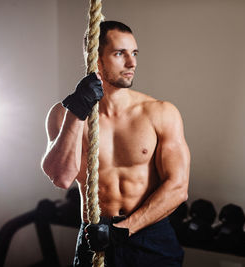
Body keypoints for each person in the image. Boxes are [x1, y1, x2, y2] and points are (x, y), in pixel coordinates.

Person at [41, 21, 190, 267]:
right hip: (94, 236)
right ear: (95, 58)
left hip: (149, 235)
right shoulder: (63, 114)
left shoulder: (160, 113)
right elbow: (61, 178)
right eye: (120, 54)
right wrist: (76, 112)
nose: (132, 63)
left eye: (134, 53)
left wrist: (122, 230)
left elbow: (178, 187)